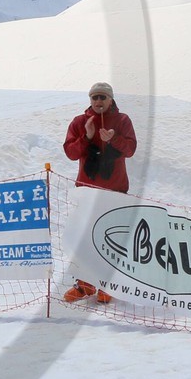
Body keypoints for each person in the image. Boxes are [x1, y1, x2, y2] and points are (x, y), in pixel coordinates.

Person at [62, 81, 137, 303]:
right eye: (94, 97)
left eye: (102, 97)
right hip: (87, 191)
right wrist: (87, 137)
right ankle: (85, 284)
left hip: (115, 190)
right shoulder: (79, 122)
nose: (98, 101)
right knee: (85, 239)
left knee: (111, 239)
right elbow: (71, 153)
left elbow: (131, 150)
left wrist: (113, 138)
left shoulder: (123, 121)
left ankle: (109, 285)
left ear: (111, 99)